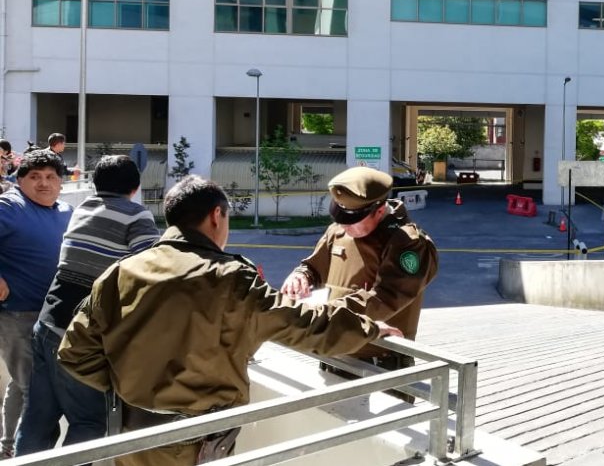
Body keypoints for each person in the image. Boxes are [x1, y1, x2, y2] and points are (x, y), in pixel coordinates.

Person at [58, 175, 402, 466]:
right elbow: (305, 325)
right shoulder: (229, 278)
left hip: (130, 438)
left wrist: (128, 387)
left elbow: (75, 352)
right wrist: (368, 329)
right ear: (216, 216)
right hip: (195, 444)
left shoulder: (121, 272)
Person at [14, 156, 160, 456]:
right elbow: (150, 275)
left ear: (96, 184)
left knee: (37, 419)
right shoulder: (137, 216)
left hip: (47, 323)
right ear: (135, 188)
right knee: (90, 422)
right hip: (81, 336)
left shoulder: (82, 208)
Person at [281, 166, 438, 386]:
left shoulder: (408, 243)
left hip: (378, 361)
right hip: (335, 353)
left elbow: (384, 298)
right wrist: (301, 276)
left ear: (379, 211)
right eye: (340, 217)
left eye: (351, 220)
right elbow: (314, 267)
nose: (343, 225)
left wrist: (324, 316)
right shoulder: (338, 230)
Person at [0, 150, 73, 459]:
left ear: (61, 182)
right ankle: (29, 458)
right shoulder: (10, 206)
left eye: (51, 177)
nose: (44, 183)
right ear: (20, 180)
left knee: (22, 385)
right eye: (35, 177)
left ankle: (8, 448)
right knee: (37, 393)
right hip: (18, 315)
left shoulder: (66, 211)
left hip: (53, 317)